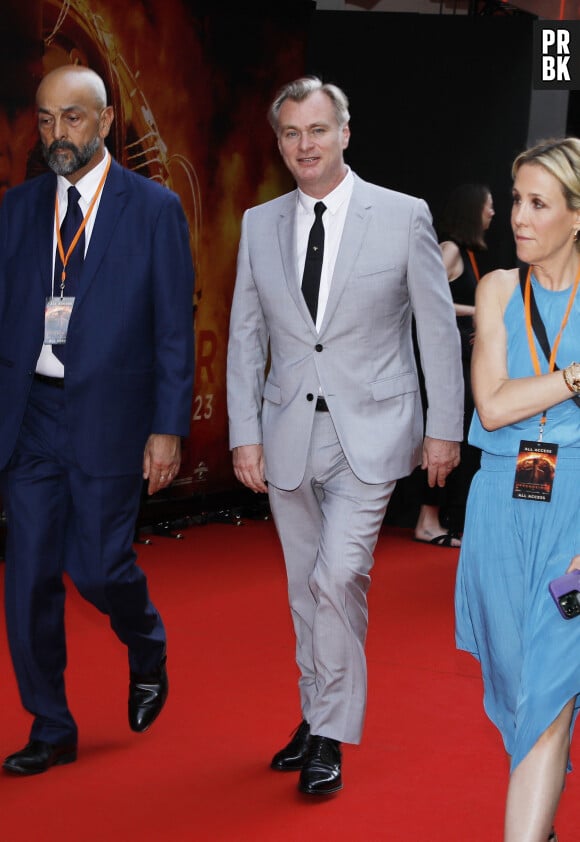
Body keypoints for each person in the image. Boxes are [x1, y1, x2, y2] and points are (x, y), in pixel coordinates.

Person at [227, 76, 463, 796]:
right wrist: (243, 433)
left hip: (375, 430)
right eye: (292, 133)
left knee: (338, 577)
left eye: (319, 130)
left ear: (345, 133)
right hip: (286, 430)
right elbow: (244, 336)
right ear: (280, 142)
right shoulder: (259, 223)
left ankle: (330, 730)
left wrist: (445, 429)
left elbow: (435, 329)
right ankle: (314, 709)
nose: (306, 145)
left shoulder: (403, 215)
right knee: (306, 588)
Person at [0, 64, 194, 775]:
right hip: (30, 420)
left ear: (106, 121)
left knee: (99, 567)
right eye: (46, 120)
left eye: (72, 119)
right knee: (26, 581)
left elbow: (175, 327)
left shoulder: (154, 209)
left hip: (114, 420)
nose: (57, 135)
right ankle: (50, 725)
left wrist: (167, 427)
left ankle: (145, 640)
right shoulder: (18, 211)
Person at [455, 137, 580, 842]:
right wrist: (573, 378)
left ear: (577, 215)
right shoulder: (500, 288)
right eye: (517, 203)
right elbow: (495, 406)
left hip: (576, 523)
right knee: (516, 691)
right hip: (503, 511)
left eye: (540, 204)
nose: (519, 219)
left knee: (551, 691)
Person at [414, 183, 495, 547]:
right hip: (445, 364)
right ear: (472, 210)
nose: (494, 212)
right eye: (489, 206)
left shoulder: (470, 254)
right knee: (444, 437)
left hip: (464, 360)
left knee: (458, 440)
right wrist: (479, 311)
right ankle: (427, 520)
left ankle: (441, 517)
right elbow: (428, 301)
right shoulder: (449, 250)